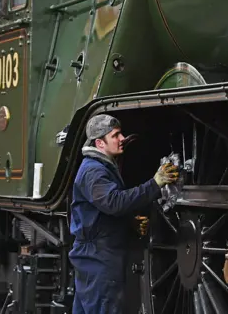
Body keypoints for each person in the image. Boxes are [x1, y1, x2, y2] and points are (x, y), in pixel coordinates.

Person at [69, 114, 178, 314]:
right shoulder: (94, 171)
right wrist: (155, 183)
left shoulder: (100, 167)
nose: (122, 138)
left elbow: (100, 211)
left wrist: (129, 222)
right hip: (99, 258)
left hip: (96, 256)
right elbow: (114, 202)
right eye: (116, 135)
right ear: (100, 143)